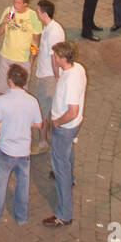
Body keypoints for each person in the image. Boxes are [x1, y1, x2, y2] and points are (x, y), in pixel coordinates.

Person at [0, 64, 43, 225]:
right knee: (23, 184)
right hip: (24, 151)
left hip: (5, 149)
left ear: (10, 81)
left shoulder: (1, 101)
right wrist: (25, 123)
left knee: (0, 183)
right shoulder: (32, 101)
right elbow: (38, 124)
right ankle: (21, 216)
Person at [42, 42, 87, 228]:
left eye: (55, 56)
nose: (53, 58)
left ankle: (64, 214)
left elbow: (72, 110)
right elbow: (57, 73)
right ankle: (70, 177)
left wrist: (56, 122)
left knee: (60, 166)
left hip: (65, 127)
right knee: (67, 154)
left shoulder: (70, 81)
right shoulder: (77, 69)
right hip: (72, 127)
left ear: (63, 58)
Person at [32, 0, 65, 150]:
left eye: (38, 11)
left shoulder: (54, 31)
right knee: (49, 108)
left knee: (42, 110)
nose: (36, 13)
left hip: (48, 77)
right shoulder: (47, 28)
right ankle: (50, 133)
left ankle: (43, 140)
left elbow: (54, 58)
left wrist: (57, 78)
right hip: (45, 74)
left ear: (44, 14)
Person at [0, 0, 41, 93]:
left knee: (20, 90)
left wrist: (32, 58)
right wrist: (4, 23)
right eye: (14, 2)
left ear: (26, 4)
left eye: (19, 3)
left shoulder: (33, 16)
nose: (15, 5)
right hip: (6, 56)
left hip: (22, 59)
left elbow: (36, 40)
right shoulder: (8, 11)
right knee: (2, 89)